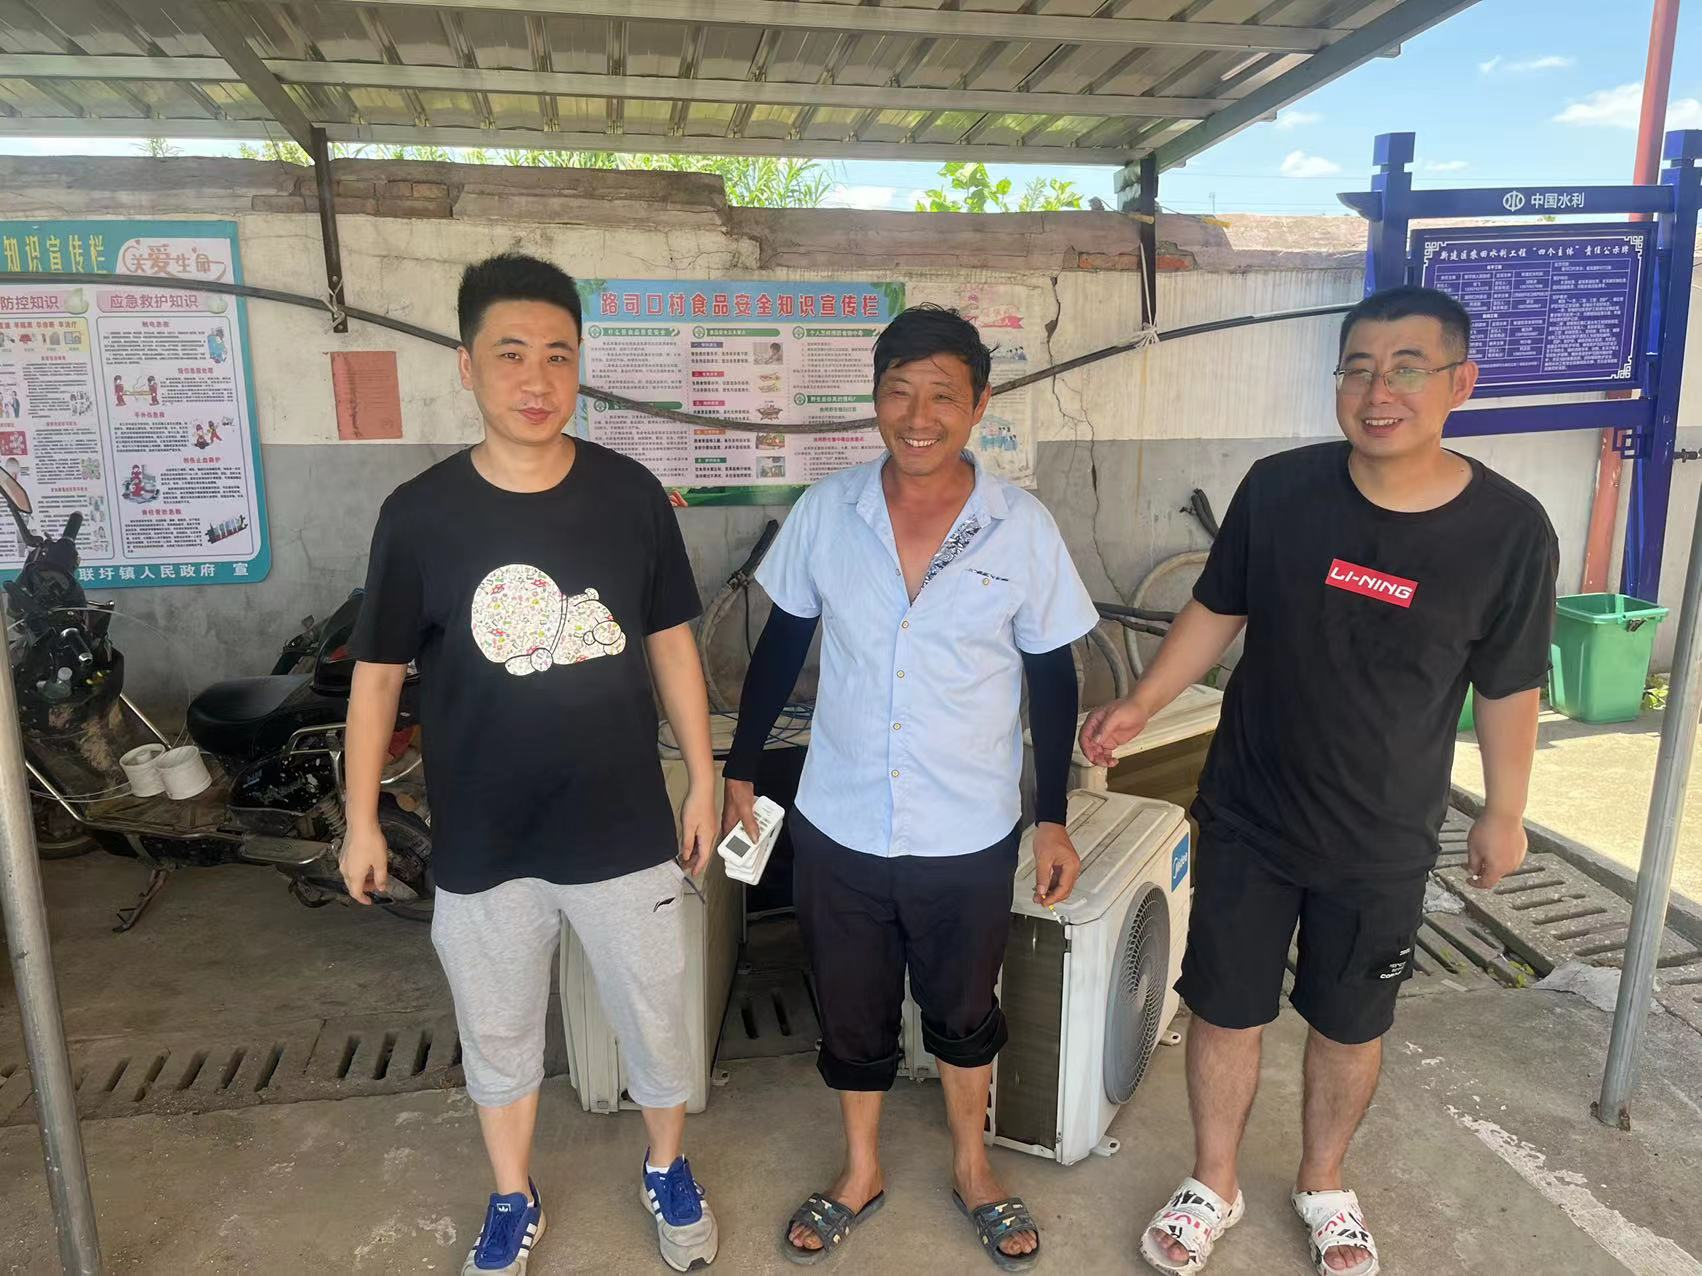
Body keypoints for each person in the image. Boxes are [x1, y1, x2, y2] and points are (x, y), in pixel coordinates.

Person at [1082, 285, 1557, 1276]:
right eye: (1358, 369)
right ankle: (1213, 1181)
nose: (1378, 392)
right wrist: (1143, 703)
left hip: (1383, 835)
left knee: (1349, 1023)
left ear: (1460, 382)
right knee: (1226, 1008)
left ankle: (1324, 1183)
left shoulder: (1511, 531)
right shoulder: (1280, 489)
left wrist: (1506, 811)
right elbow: (1218, 607)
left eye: (1407, 369)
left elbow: (1510, 684)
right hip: (1251, 813)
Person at [340, 252, 722, 1276]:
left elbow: (672, 644)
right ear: (467, 365)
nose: (537, 378)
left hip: (623, 824)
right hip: (484, 835)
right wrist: (361, 818)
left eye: (559, 354)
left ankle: (667, 1166)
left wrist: (703, 776)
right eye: (511, 353)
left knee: (655, 1015)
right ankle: (513, 1195)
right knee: (498, 1030)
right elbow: (376, 678)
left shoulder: (630, 496)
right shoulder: (418, 515)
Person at [724, 304, 1099, 1270]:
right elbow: (781, 648)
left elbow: (1053, 678)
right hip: (841, 818)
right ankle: (861, 1169)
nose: (918, 416)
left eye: (942, 395)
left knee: (964, 1006)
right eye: (899, 392)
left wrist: (1051, 818)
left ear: (979, 404)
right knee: (850, 1006)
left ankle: (973, 1165)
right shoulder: (829, 511)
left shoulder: (1020, 527)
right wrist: (739, 770)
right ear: (875, 399)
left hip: (966, 827)